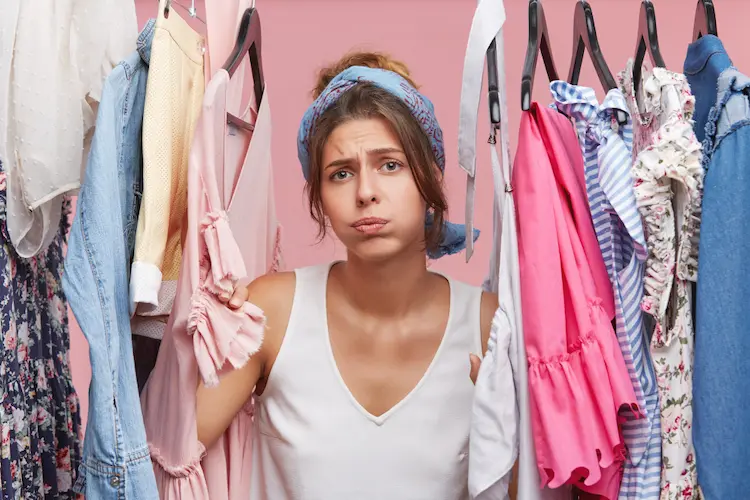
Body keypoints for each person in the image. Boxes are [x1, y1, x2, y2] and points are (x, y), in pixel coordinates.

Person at [195, 51, 510, 500]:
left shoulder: (488, 327)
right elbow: (166, 460)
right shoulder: (272, 313)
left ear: (431, 178)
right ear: (320, 196)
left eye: (390, 165)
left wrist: (503, 426)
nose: (365, 193)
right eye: (340, 174)